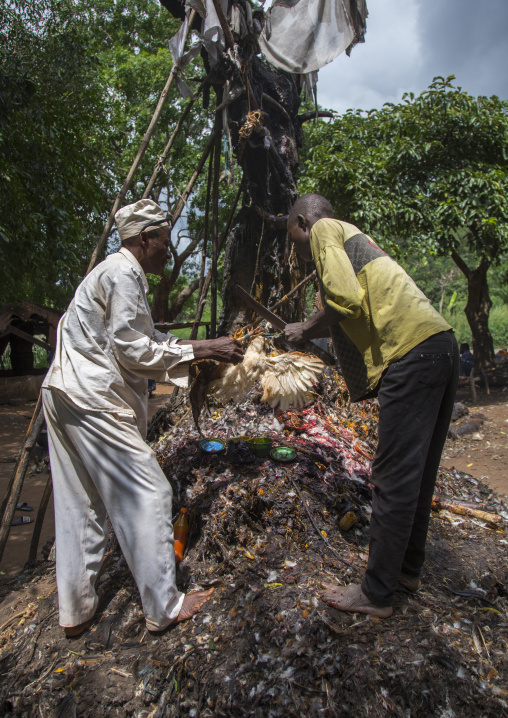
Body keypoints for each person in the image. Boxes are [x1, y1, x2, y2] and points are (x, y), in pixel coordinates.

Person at [42, 199, 244, 636]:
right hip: (91, 397)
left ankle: (75, 613)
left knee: (82, 504)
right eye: (164, 243)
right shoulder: (122, 272)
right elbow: (133, 351)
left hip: (62, 390)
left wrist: (195, 347)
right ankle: (164, 606)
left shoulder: (115, 274)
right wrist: (205, 349)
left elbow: (144, 336)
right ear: (144, 239)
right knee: (150, 490)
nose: (168, 252)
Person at [284, 194, 459, 618]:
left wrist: (302, 327)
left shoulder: (325, 230)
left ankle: (376, 593)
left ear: (303, 221)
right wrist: (316, 339)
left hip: (411, 355)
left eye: (291, 236)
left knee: (393, 477)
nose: (294, 249)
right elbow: (356, 319)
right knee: (415, 476)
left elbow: (344, 302)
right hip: (440, 346)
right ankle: (406, 572)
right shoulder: (355, 241)